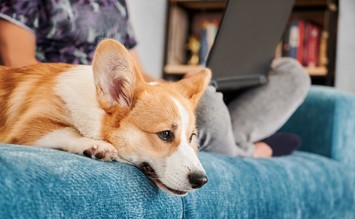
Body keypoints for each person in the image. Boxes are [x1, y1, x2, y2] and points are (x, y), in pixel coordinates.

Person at [0, 0, 310, 158]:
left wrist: (174, 92)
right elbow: (20, 62)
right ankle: (241, 148)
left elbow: (140, 73)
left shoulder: (114, 2)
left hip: (132, 92)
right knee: (211, 107)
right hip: (92, 92)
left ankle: (232, 144)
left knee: (292, 74)